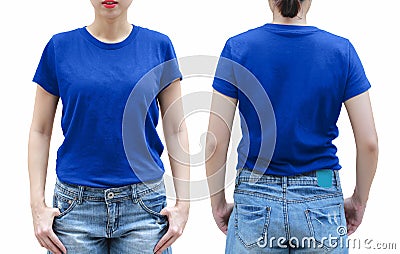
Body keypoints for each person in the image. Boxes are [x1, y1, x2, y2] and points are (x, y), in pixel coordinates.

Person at [206, 0, 378, 253]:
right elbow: (369, 144)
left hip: (255, 190)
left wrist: (218, 203)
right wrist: (359, 201)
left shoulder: (238, 48)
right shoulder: (341, 51)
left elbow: (214, 142)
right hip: (321, 187)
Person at [28, 0, 190, 253]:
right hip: (74, 210)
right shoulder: (60, 48)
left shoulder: (159, 47)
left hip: (144, 209)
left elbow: (176, 129)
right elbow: (40, 130)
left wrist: (184, 203)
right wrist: (37, 207)